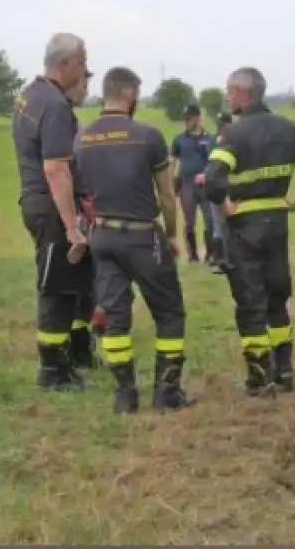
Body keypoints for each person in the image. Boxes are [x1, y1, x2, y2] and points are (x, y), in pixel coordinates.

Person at [203, 67, 295, 397]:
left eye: (230, 91)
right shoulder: (289, 129)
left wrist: (225, 210)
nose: (227, 97)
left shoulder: (233, 134)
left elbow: (215, 181)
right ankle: (285, 371)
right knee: (277, 299)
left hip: (244, 227)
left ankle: (259, 379)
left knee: (250, 303)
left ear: (244, 94)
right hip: (277, 224)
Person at [73, 67, 194, 414]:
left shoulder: (82, 139)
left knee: (114, 318)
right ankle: (166, 394)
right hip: (142, 236)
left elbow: (82, 193)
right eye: (137, 92)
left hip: (103, 236)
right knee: (170, 312)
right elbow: (168, 195)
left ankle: (125, 396)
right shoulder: (148, 135)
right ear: (128, 93)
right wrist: (171, 234)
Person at [11, 32, 93, 391]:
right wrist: (72, 227)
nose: (85, 69)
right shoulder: (56, 106)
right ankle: (52, 371)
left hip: (34, 201)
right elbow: (56, 169)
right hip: (51, 206)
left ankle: (66, 360)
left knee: (65, 285)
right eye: (83, 62)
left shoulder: (30, 94)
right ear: (66, 64)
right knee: (56, 288)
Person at [65, 70, 104, 370]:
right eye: (84, 82)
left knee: (83, 287)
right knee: (78, 286)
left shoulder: (72, 123)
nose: (85, 88)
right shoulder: (65, 123)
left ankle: (80, 346)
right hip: (77, 214)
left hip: (79, 212)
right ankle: (74, 350)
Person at [170, 104, 217, 263]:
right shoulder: (178, 140)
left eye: (189, 119)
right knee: (189, 221)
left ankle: (210, 253)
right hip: (187, 184)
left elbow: (215, 162)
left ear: (198, 118)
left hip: (205, 185)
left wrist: (206, 174)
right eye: (185, 119)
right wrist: (171, 183)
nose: (186, 122)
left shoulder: (210, 139)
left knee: (210, 220)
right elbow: (173, 162)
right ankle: (193, 255)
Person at [204, 111, 235, 274]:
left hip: (215, 183)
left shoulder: (211, 141)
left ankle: (218, 259)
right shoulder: (232, 140)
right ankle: (224, 258)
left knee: (218, 224)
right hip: (228, 185)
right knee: (225, 224)